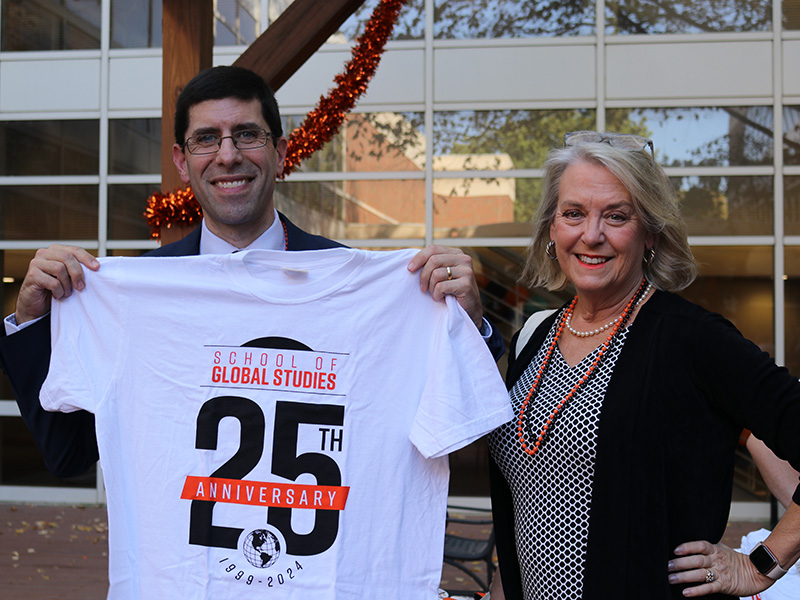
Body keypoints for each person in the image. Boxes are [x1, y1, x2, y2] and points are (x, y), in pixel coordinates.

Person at [0, 65, 504, 479]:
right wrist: (30, 322)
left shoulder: (356, 286)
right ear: (182, 160)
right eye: (206, 139)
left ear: (281, 152)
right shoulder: (134, 295)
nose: (228, 155)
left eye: (247, 134)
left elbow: (464, 428)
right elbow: (67, 455)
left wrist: (467, 323)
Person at [486, 131, 800, 599]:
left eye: (616, 216)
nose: (591, 235)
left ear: (650, 232)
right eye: (574, 213)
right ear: (553, 227)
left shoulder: (693, 339)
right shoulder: (534, 335)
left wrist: (762, 563)